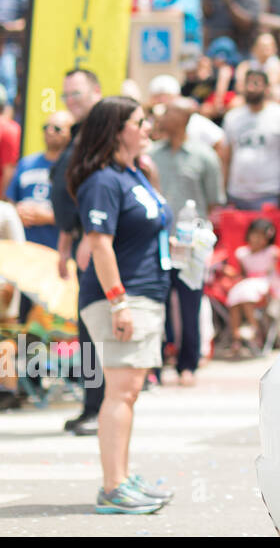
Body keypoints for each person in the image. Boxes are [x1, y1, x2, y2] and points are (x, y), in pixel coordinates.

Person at [66, 97, 174, 514]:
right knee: (121, 393)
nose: (148, 127)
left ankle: (122, 479)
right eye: (140, 121)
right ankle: (113, 486)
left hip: (144, 294)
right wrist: (118, 303)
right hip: (122, 297)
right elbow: (99, 244)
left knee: (127, 393)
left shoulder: (134, 174)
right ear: (116, 130)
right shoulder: (103, 181)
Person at [147, 97, 224, 386]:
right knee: (157, 300)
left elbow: (215, 202)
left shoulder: (204, 156)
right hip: (158, 240)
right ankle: (155, 362)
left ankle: (187, 363)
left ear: (183, 118)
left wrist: (207, 240)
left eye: (168, 112)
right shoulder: (153, 155)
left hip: (191, 242)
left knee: (190, 302)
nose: (161, 116)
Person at [49, 69, 104, 435]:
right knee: (87, 327)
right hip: (81, 240)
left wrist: (91, 234)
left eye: (78, 93)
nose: (72, 100)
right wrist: (67, 242)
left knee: (97, 328)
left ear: (96, 92)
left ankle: (100, 408)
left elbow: (102, 188)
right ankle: (92, 404)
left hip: (99, 242)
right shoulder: (80, 133)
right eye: (67, 95)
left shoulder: (102, 131)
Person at [219, 69, 280, 210]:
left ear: (267, 88)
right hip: (236, 194)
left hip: (269, 194)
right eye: (248, 83)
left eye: (256, 83)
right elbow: (225, 158)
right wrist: (222, 193)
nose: (251, 88)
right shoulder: (232, 117)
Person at [7, 110, 71, 253]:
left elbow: (79, 213)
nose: (50, 131)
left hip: (55, 251)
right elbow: (10, 199)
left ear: (70, 134)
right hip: (24, 247)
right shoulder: (26, 163)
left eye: (57, 128)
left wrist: (49, 217)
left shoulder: (74, 169)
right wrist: (18, 212)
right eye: (46, 127)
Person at [219, 218, 280, 357]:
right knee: (235, 298)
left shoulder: (272, 252)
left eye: (262, 236)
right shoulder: (242, 253)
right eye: (255, 235)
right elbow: (242, 273)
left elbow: (275, 271)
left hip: (264, 283)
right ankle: (236, 336)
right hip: (248, 282)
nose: (257, 239)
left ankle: (254, 330)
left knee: (247, 296)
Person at [234, 32, 280, 102]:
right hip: (249, 98)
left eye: (269, 45)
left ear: (275, 48)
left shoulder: (279, 66)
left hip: (269, 99)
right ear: (254, 48)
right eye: (263, 45)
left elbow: (273, 86)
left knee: (277, 92)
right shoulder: (244, 66)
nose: (266, 48)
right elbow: (239, 87)